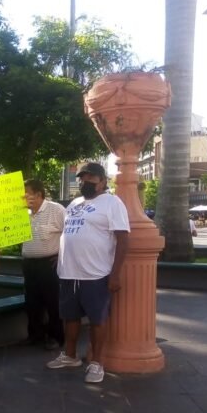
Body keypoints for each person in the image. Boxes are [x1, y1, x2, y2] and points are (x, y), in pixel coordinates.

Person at [46, 162, 129, 384]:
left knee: (97, 319)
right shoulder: (74, 203)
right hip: (68, 272)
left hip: (96, 274)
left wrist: (115, 274)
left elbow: (123, 239)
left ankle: (96, 363)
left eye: (91, 178)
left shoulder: (113, 203)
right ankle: (70, 356)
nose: (85, 182)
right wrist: (62, 254)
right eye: (83, 178)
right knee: (70, 317)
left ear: (103, 181)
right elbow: (72, 232)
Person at [22, 179, 66, 351]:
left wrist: (62, 256)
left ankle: (55, 337)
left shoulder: (56, 210)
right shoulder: (22, 213)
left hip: (49, 264)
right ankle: (35, 335)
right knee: (31, 302)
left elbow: (70, 234)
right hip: (29, 264)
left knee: (52, 302)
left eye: (26, 193)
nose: (22, 197)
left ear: (38, 194)